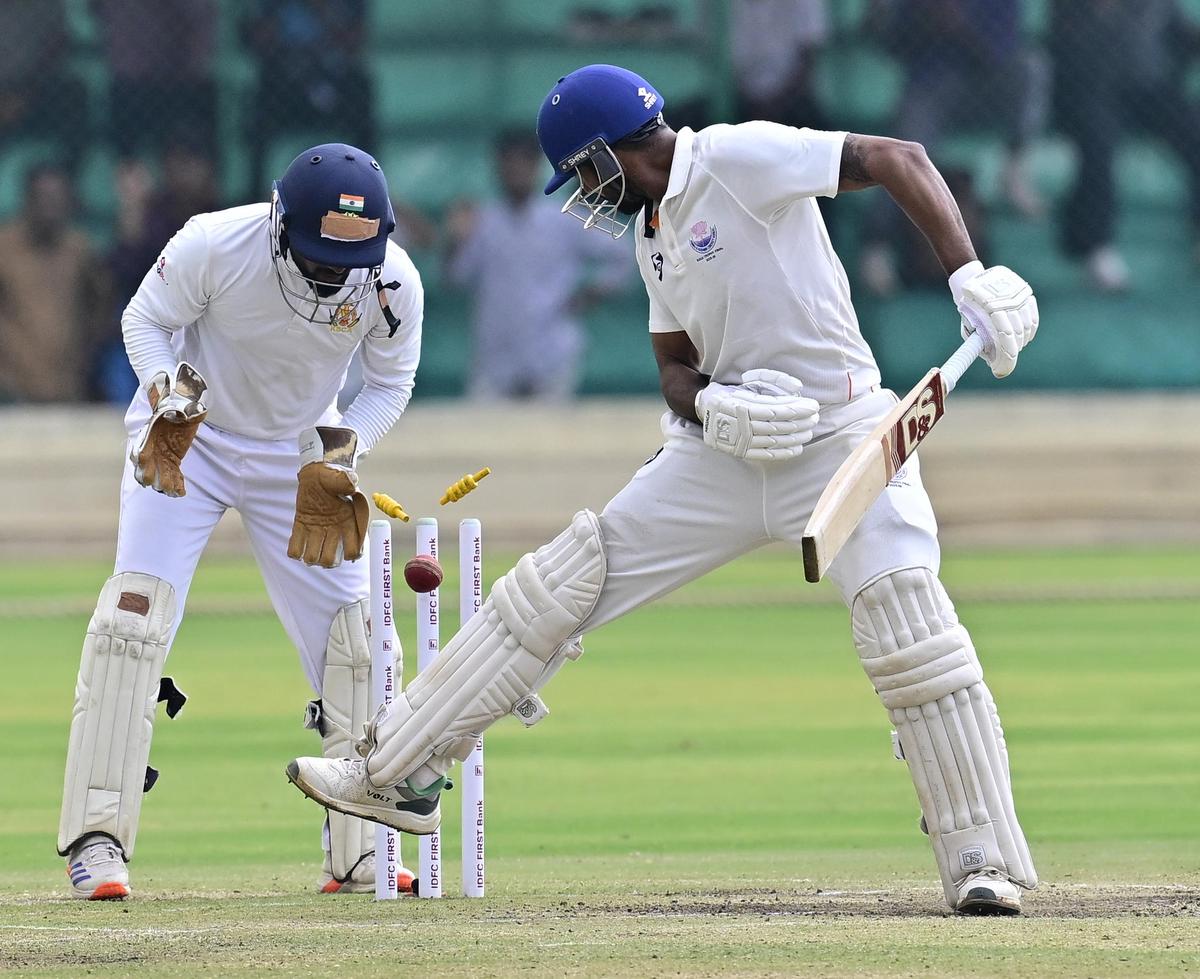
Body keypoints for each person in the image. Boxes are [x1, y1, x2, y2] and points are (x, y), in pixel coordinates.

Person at [286, 66, 1040, 915]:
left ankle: (982, 860)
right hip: (721, 454)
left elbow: (896, 155)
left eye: (579, 172)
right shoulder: (650, 233)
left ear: (609, 152)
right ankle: (395, 773)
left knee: (908, 620)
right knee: (559, 581)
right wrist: (712, 405)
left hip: (839, 434)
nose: (579, 192)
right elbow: (674, 368)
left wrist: (966, 274)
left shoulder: (738, 157)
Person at [59, 143, 423, 899]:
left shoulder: (393, 281)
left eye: (345, 263)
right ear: (278, 220)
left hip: (300, 450)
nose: (330, 277)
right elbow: (145, 318)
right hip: (189, 436)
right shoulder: (214, 242)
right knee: (133, 621)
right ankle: (96, 841)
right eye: (317, 257)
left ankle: (361, 851)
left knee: (356, 643)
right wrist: (166, 398)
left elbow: (390, 383)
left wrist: (340, 455)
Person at [445, 129, 628, 401]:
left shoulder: (564, 217)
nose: (516, 171)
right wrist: (454, 242)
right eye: (509, 163)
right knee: (481, 440)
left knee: (553, 442)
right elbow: (454, 279)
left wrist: (593, 292)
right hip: (495, 359)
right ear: (498, 167)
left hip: (552, 354)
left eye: (523, 163)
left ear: (536, 166)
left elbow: (623, 256)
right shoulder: (483, 222)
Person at [1051, 0, 1200, 291]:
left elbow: (1178, 31)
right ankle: (1096, 246)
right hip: (1093, 92)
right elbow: (1063, 42)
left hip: (1150, 91)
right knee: (1098, 140)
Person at [0, 165, 108, 403]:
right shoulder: (4, 248)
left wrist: (87, 357)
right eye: (43, 198)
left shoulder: (79, 250)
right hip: (11, 393)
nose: (50, 208)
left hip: (67, 388)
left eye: (58, 200)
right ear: (27, 201)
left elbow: (103, 303)